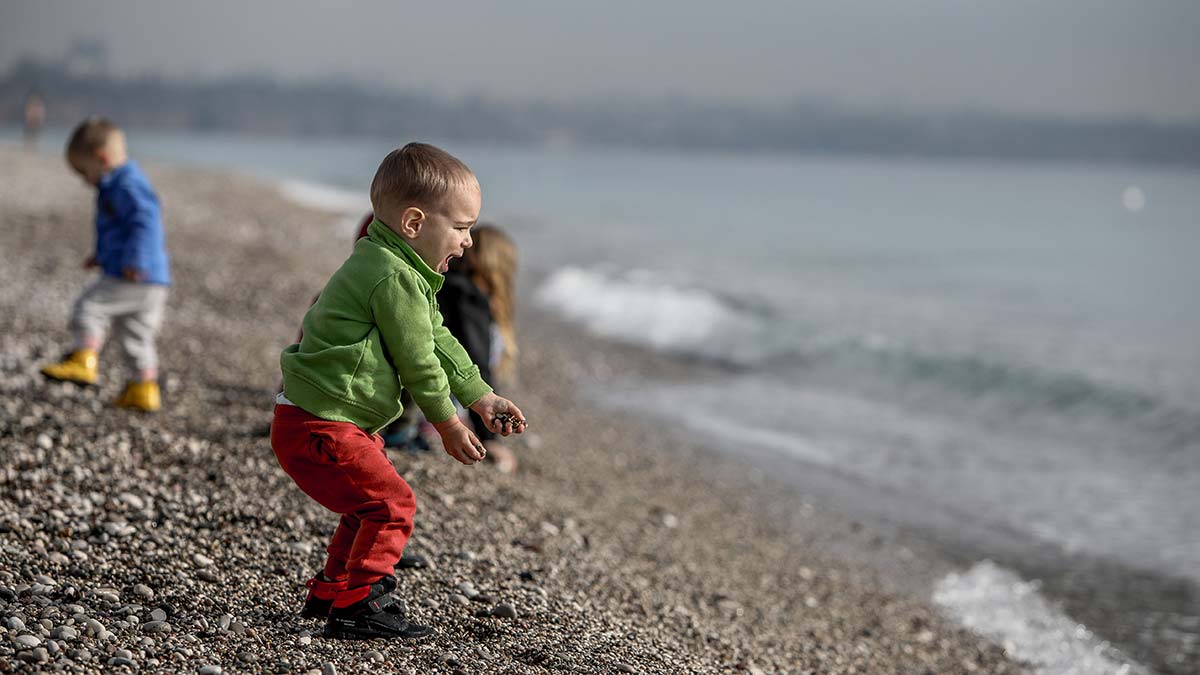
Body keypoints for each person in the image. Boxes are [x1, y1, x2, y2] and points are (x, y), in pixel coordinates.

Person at [270, 142, 528, 640]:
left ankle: (332, 592)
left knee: (366, 506)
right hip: (320, 425)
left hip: (324, 422)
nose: (469, 242)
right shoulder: (392, 276)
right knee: (392, 505)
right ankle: (361, 605)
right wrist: (448, 423)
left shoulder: (401, 270)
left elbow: (440, 340)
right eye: (460, 227)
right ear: (414, 223)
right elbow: (417, 361)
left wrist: (481, 398)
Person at [41, 117, 170, 412]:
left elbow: (145, 222)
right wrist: (100, 254)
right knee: (136, 335)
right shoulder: (123, 183)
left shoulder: (126, 185)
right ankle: (144, 388)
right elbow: (119, 229)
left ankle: (84, 359)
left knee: (89, 307)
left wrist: (135, 259)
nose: (86, 181)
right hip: (154, 280)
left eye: (85, 173)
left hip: (134, 274)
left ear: (101, 159)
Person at [438, 224, 521, 473]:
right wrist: (490, 439)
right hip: (434, 416)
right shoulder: (467, 297)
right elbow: (476, 366)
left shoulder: (443, 285)